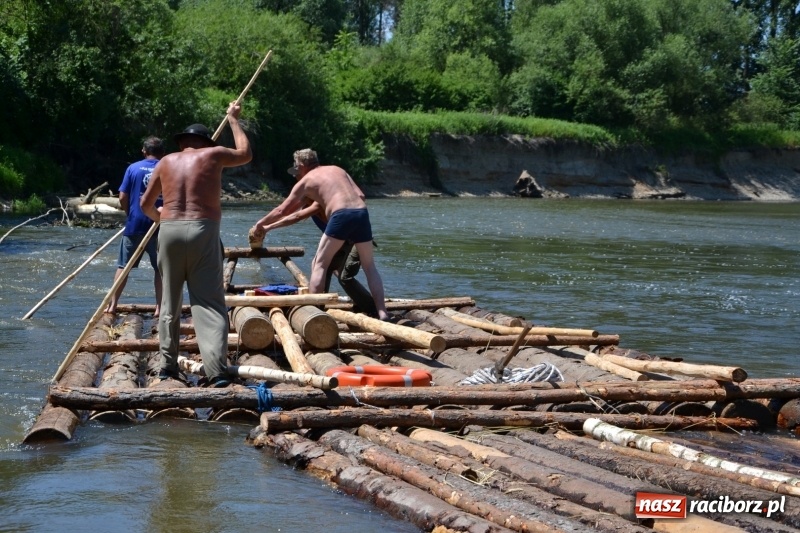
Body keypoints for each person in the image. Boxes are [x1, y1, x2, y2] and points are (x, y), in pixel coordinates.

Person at [140, 102, 252, 387]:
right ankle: (215, 371)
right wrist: (233, 120)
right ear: (204, 143)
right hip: (203, 230)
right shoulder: (213, 154)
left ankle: (167, 366)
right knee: (209, 303)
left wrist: (163, 218)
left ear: (183, 143)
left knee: (169, 301)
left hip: (170, 231)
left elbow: (145, 204)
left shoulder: (165, 162)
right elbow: (245, 154)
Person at [250, 149, 389, 320]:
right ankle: (382, 312)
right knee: (370, 267)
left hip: (341, 214)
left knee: (320, 264)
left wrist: (261, 223)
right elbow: (361, 195)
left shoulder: (307, 181)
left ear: (301, 165)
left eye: (296, 168)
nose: (295, 173)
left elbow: (283, 210)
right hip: (361, 212)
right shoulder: (338, 169)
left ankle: (314, 313)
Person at [259, 195, 379, 317]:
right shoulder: (308, 205)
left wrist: (267, 227)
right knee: (323, 268)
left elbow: (296, 216)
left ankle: (372, 308)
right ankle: (321, 306)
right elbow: (288, 213)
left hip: (356, 241)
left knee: (344, 277)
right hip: (342, 242)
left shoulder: (318, 203)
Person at [105, 136, 164, 316]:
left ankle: (113, 305)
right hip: (159, 223)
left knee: (123, 266)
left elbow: (123, 196)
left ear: (144, 151)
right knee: (160, 269)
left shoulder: (133, 168)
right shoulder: (167, 168)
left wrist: (130, 214)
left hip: (135, 223)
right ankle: (159, 308)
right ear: (162, 153)